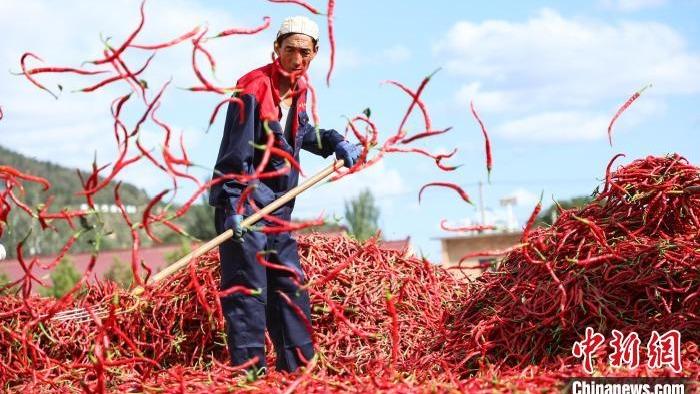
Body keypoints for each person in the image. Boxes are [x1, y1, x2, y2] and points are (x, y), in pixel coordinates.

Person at [208, 16, 361, 377]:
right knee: (249, 293)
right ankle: (251, 376)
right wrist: (232, 207)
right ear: (276, 49)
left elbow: (297, 132)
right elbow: (234, 155)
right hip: (245, 206)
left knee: (290, 286)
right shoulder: (252, 90)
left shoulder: (299, 87)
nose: (296, 58)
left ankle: (299, 374)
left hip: (278, 209)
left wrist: (334, 142)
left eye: (304, 52)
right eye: (289, 50)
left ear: (314, 54)